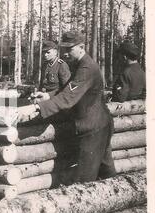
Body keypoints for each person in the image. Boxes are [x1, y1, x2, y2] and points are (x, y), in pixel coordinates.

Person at [18, 31, 116, 184]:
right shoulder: (78, 64)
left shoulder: (86, 68)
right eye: (63, 49)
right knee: (106, 170)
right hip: (99, 123)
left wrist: (37, 107)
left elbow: (68, 98)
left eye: (69, 49)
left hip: (93, 127)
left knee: (85, 179)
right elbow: (68, 88)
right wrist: (47, 96)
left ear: (81, 47)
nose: (65, 53)